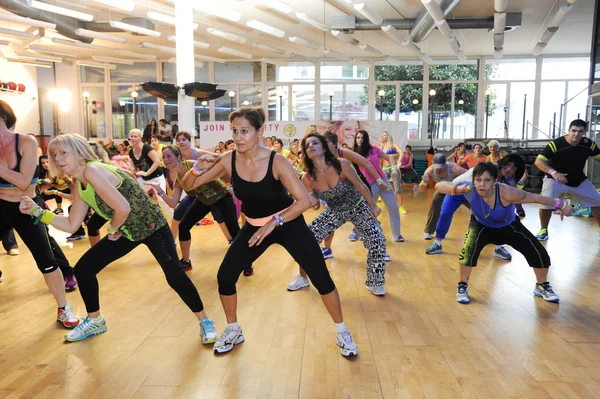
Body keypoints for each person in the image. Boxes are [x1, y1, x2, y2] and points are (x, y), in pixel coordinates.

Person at [181, 107, 358, 357]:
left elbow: (305, 201)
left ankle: (342, 331)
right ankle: (233, 329)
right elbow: (189, 187)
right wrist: (197, 168)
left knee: (320, 276)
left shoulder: (277, 161)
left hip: (287, 223)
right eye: (235, 131)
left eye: (245, 131)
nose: (239, 137)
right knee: (225, 276)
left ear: (260, 132)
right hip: (254, 227)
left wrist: (274, 222)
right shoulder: (227, 160)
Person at [19, 134, 218, 343]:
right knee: (84, 269)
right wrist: (39, 213)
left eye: (63, 152)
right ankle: (95, 320)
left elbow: (123, 207)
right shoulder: (80, 183)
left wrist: (113, 227)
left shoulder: (92, 170)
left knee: (174, 275)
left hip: (152, 226)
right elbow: (71, 224)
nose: (58, 158)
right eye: (54, 154)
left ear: (79, 153)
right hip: (127, 231)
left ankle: (205, 321)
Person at [435, 162, 574, 304]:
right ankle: (462, 286)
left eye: (487, 180)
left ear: (495, 181)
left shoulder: (507, 192)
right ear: (473, 180)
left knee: (538, 253)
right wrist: (456, 189)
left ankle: (542, 285)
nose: (482, 184)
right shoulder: (469, 188)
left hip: (509, 226)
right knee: (467, 252)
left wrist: (562, 205)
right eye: (478, 180)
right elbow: (438, 186)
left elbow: (537, 198)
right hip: (480, 225)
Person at [0, 99, 79, 327]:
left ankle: (63, 309)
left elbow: (24, 182)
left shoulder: (26, 142)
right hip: (1, 205)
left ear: (3, 117)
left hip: (26, 206)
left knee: (46, 259)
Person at [286, 133, 387, 296]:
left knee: (377, 240)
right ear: (305, 153)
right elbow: (315, 204)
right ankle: (302, 277)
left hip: (358, 206)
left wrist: (373, 205)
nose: (310, 146)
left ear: (324, 147)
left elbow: (360, 185)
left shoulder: (342, 165)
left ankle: (375, 282)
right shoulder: (308, 178)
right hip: (334, 211)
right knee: (305, 241)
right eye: (307, 145)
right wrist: (312, 200)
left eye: (315, 143)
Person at [150, 145, 243, 272]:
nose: (166, 159)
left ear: (178, 157)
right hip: (204, 201)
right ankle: (186, 261)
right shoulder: (178, 180)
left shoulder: (193, 165)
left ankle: (246, 263)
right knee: (183, 226)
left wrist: (229, 188)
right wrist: (160, 191)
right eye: (164, 157)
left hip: (222, 197)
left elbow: (223, 170)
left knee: (234, 230)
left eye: (169, 156)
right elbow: (172, 203)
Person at [426, 154, 527, 259]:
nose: (509, 169)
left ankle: (499, 246)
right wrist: (455, 189)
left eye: (513, 168)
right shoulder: (490, 168)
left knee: (492, 216)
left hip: (474, 194)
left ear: (515, 171)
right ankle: (437, 244)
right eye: (508, 164)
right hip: (459, 189)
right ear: (504, 162)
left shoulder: (507, 180)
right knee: (445, 214)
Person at [534, 119, 600, 240]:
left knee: (598, 201)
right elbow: (539, 161)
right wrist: (554, 173)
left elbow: (598, 157)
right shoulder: (556, 144)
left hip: (578, 180)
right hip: (556, 179)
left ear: (584, 132)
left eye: (580, 131)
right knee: (545, 202)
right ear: (568, 131)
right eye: (573, 131)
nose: (576, 134)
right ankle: (543, 230)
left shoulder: (588, 144)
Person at [353, 130, 404, 247]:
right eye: (357, 138)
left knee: (394, 208)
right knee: (368, 210)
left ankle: (397, 235)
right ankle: (359, 233)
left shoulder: (374, 149)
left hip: (383, 181)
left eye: (362, 138)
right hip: (369, 185)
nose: (359, 140)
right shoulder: (354, 153)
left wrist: (393, 169)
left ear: (366, 139)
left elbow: (390, 158)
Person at [419, 153, 467, 240]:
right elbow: (421, 189)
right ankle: (428, 231)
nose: (439, 169)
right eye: (437, 166)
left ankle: (487, 230)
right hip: (443, 190)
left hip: (460, 189)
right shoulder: (429, 171)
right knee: (435, 204)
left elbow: (469, 176)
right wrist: (424, 182)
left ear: (446, 163)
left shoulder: (454, 169)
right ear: (432, 163)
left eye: (441, 166)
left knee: (476, 207)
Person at [127, 129, 171, 218]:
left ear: (140, 138)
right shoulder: (131, 152)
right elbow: (135, 170)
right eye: (131, 136)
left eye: (135, 136)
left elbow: (157, 162)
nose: (133, 138)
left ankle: (176, 220)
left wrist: (147, 173)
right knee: (133, 198)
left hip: (157, 178)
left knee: (162, 202)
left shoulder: (146, 148)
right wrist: (131, 169)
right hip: (145, 180)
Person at [380, 131, 406, 213]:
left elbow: (401, 152)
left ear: (389, 136)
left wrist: (400, 161)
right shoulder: (381, 147)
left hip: (393, 168)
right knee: (380, 186)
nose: (384, 137)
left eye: (386, 135)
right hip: (384, 168)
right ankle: (383, 202)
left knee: (397, 188)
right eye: (383, 135)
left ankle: (400, 206)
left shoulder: (393, 145)